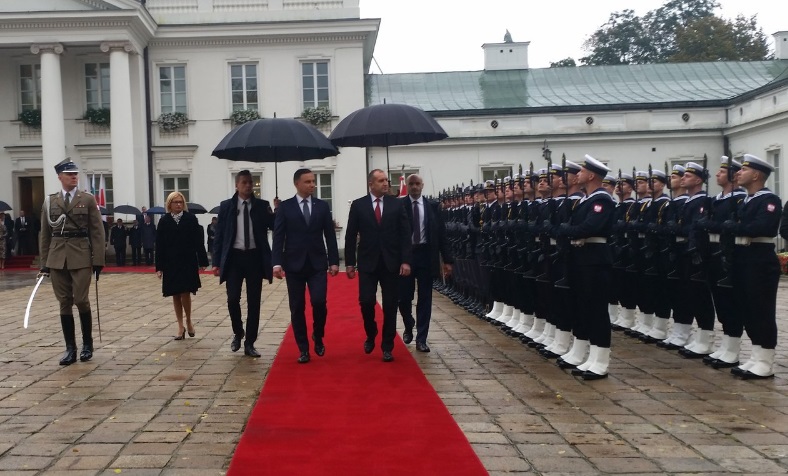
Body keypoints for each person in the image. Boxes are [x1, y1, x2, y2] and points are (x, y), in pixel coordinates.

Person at [39, 158, 105, 365]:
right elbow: (45, 234)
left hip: (81, 255)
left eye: (75, 173)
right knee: (64, 302)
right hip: (57, 257)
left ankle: (87, 344)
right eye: (69, 174)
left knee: (81, 300)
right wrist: (44, 263)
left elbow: (97, 230)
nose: (74, 176)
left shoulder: (87, 200)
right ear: (60, 177)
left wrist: (99, 259)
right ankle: (70, 348)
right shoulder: (50, 201)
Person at [272, 168, 340, 363]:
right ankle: (303, 348)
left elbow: (330, 235)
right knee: (297, 307)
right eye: (308, 182)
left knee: (319, 302)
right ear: (297, 184)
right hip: (293, 264)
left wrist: (334, 261)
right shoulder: (285, 207)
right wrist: (276, 263)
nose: (312, 185)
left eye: (313, 181)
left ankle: (318, 336)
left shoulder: (321, 206)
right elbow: (278, 236)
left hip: (317, 263)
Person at [345, 169, 412, 362]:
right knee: (366, 301)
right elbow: (350, 235)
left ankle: (387, 345)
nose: (386, 183)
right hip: (367, 262)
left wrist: (406, 260)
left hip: (391, 263)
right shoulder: (359, 206)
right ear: (371, 184)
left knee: (390, 305)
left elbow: (405, 234)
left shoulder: (396, 204)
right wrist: (350, 263)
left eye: (387, 180)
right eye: (381, 180)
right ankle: (371, 330)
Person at [213, 170, 275, 358]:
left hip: (255, 258)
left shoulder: (262, 206)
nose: (248, 185)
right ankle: (238, 332)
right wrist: (216, 262)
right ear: (237, 185)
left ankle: (250, 342)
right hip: (234, 259)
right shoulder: (226, 206)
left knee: (254, 302)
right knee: (233, 299)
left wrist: (276, 210)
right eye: (244, 182)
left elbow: (274, 226)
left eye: (250, 182)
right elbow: (220, 236)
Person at [730, 154, 781, 379]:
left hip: (760, 258)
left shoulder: (769, 200)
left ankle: (766, 360)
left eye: (744, 170)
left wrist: (735, 227)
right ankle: (756, 354)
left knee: (762, 310)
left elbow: (764, 227)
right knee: (747, 309)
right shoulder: (746, 200)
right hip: (744, 257)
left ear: (757, 174)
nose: (739, 173)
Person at [398, 173, 453, 353]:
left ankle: (422, 338)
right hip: (406, 256)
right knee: (404, 297)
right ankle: (408, 323)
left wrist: (447, 260)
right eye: (411, 184)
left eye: (417, 184)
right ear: (407, 186)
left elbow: (442, 234)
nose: (414, 187)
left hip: (425, 255)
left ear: (423, 186)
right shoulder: (400, 206)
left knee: (425, 298)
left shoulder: (432, 207)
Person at [156, 192, 209, 340]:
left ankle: (189, 320)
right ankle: (180, 325)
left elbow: (199, 241)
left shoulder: (191, 219)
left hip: (187, 261)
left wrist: (203, 261)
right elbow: (159, 245)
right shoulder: (164, 221)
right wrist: (159, 266)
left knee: (185, 292)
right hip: (171, 262)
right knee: (175, 293)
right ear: (169, 204)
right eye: (175, 202)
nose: (178, 204)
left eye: (180, 202)